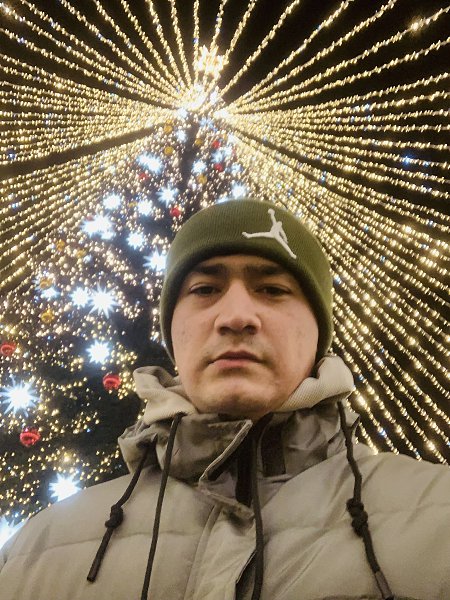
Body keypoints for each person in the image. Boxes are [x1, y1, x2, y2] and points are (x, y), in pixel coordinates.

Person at [1, 198, 449, 600]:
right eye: (204, 290)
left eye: (272, 289)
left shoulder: (438, 519)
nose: (236, 316)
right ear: (172, 330)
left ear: (318, 333)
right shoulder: (33, 552)